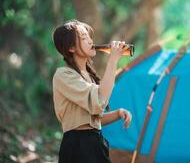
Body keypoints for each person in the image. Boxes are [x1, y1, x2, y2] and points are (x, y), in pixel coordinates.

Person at [52, 20, 132, 163]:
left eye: (89, 36)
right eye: (83, 38)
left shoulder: (88, 76)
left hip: (96, 143)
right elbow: (100, 100)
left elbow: (93, 120)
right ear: (71, 48)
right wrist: (113, 60)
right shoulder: (64, 75)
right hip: (77, 147)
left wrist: (117, 113)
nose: (90, 41)